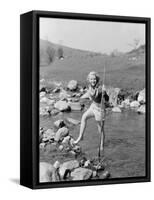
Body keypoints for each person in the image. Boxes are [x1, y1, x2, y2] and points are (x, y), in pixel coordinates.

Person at [73, 71, 107, 152]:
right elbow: (89, 94)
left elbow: (107, 98)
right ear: (89, 80)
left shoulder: (100, 88)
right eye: (91, 79)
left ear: (97, 79)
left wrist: (104, 94)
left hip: (100, 110)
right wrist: (81, 98)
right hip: (93, 106)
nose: (93, 81)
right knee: (84, 117)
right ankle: (81, 136)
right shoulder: (90, 86)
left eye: (94, 79)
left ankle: (102, 145)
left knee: (100, 130)